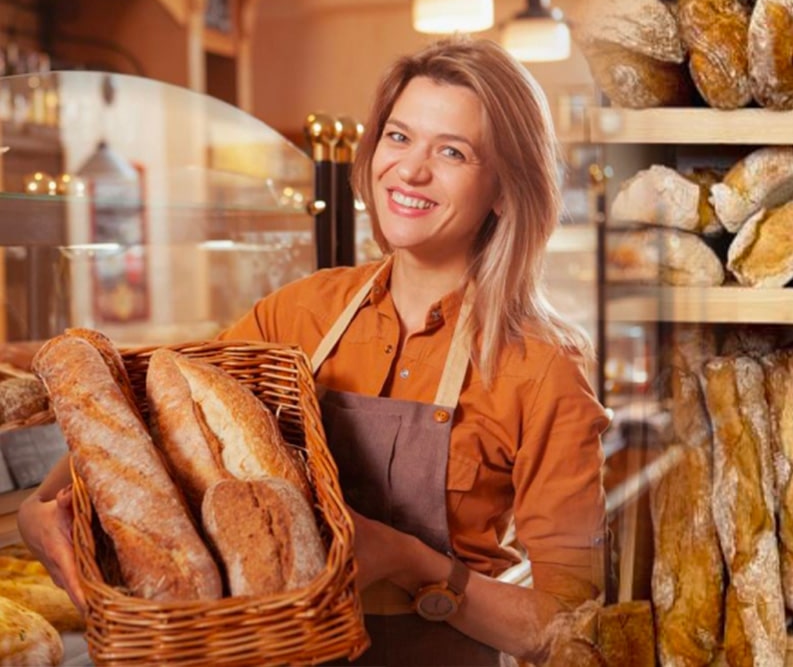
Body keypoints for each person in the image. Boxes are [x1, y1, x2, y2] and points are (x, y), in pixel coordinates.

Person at [18, 37, 608, 666]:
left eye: (453, 152)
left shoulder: (543, 368)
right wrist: (43, 507)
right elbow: (141, 416)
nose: (409, 171)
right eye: (399, 137)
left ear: (503, 187)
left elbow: (567, 626)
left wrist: (411, 562)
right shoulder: (301, 312)